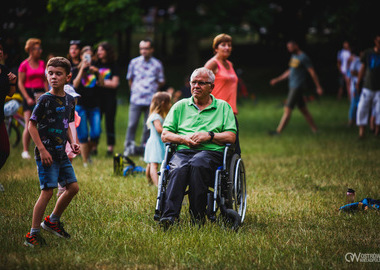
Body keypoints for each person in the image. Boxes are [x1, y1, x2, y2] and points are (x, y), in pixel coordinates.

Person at [159, 67, 236, 226]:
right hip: (184, 151)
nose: (196, 86)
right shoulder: (180, 106)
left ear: (211, 87)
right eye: (193, 82)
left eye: (202, 83)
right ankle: (169, 216)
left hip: (210, 152)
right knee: (178, 168)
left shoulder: (223, 107)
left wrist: (209, 135)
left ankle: (197, 216)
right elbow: (165, 134)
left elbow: (231, 136)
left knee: (198, 164)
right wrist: (183, 138)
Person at [24, 57, 80, 247]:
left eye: (58, 74)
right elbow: (31, 125)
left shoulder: (70, 100)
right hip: (46, 153)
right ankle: (32, 234)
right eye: (50, 73)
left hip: (61, 153)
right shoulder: (45, 100)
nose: (54, 77)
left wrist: (72, 143)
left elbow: (67, 125)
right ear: (46, 75)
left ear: (68, 77)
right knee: (47, 192)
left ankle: (52, 221)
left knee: (73, 188)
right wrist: (41, 149)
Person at [269, 40, 323, 135]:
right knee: (304, 110)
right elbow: (290, 71)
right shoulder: (294, 57)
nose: (289, 49)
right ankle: (315, 130)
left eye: (290, 47)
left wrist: (318, 87)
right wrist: (277, 79)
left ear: (296, 46)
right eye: (288, 47)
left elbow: (312, 72)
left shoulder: (304, 57)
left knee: (287, 109)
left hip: (297, 87)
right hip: (293, 86)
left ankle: (278, 132)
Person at [123, 39, 165, 156]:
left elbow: (161, 81)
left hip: (151, 100)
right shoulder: (134, 62)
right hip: (136, 99)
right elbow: (130, 79)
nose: (144, 51)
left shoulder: (157, 64)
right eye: (141, 48)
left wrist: (152, 87)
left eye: (146, 48)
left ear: (152, 49)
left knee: (148, 126)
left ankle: (144, 149)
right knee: (132, 124)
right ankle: (129, 148)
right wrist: (136, 89)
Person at [204, 33, 240, 154]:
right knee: (216, 148)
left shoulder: (230, 64)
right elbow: (201, 84)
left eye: (229, 45)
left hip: (230, 111)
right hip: (216, 110)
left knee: (234, 148)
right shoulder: (212, 64)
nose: (227, 47)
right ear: (215, 48)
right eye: (223, 45)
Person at [18, 38, 48, 159]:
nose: (40, 51)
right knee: (29, 123)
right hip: (29, 94)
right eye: (37, 49)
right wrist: (26, 97)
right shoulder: (24, 65)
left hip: (41, 94)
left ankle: (41, 148)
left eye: (40, 48)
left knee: (43, 123)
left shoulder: (42, 63)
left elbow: (45, 80)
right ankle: (25, 150)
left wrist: (47, 94)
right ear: (31, 50)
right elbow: (20, 82)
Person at [72, 46, 101, 167]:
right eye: (85, 56)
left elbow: (103, 84)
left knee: (96, 133)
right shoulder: (74, 70)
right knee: (83, 135)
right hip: (81, 106)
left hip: (94, 106)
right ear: (81, 57)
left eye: (90, 56)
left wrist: (98, 73)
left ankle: (86, 153)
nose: (88, 58)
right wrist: (82, 69)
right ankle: (85, 161)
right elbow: (75, 85)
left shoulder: (95, 69)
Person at [95, 41, 120, 155]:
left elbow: (115, 83)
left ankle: (110, 148)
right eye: (98, 50)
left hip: (110, 99)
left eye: (101, 50)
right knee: (96, 123)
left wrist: (100, 82)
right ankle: (94, 147)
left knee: (110, 123)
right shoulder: (95, 64)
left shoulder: (113, 65)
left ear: (107, 51)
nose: (99, 52)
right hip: (97, 98)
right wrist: (107, 82)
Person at [57, 84, 81, 197]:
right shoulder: (59, 114)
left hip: (71, 143)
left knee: (69, 162)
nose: (73, 102)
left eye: (74, 100)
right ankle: (61, 187)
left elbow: (74, 129)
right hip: (61, 142)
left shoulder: (75, 114)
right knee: (61, 163)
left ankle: (68, 183)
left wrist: (76, 142)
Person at [144, 92, 172, 186]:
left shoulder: (158, 115)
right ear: (163, 103)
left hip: (156, 142)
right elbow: (159, 129)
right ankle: (157, 185)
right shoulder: (155, 116)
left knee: (150, 164)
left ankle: (150, 182)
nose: (170, 105)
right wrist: (170, 131)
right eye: (169, 102)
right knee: (154, 165)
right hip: (155, 143)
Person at [356, 34, 380, 138]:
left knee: (379, 110)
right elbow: (363, 68)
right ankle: (361, 132)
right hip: (368, 87)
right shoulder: (368, 53)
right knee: (362, 108)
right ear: (375, 41)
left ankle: (377, 132)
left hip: (379, 89)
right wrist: (358, 82)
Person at [0, 41, 17, 170]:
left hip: (1, 116)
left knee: (5, 150)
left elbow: (10, 94)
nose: (0, 51)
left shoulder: (4, 70)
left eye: (0, 49)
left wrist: (12, 82)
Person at [347, 49, 362, 126]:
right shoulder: (356, 60)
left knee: (360, 104)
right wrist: (361, 74)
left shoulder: (364, 61)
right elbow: (352, 72)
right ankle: (351, 120)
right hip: (356, 84)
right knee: (354, 103)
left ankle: (359, 120)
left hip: (363, 84)